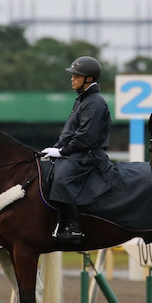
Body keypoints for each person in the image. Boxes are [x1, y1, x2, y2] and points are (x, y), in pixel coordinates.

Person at [41, 56, 112, 244]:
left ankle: (73, 227)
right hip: (77, 152)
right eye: (72, 75)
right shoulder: (82, 100)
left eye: (76, 76)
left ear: (88, 79)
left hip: (88, 155)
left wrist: (63, 152)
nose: (72, 79)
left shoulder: (95, 102)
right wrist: (55, 149)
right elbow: (69, 132)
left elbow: (85, 137)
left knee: (62, 179)